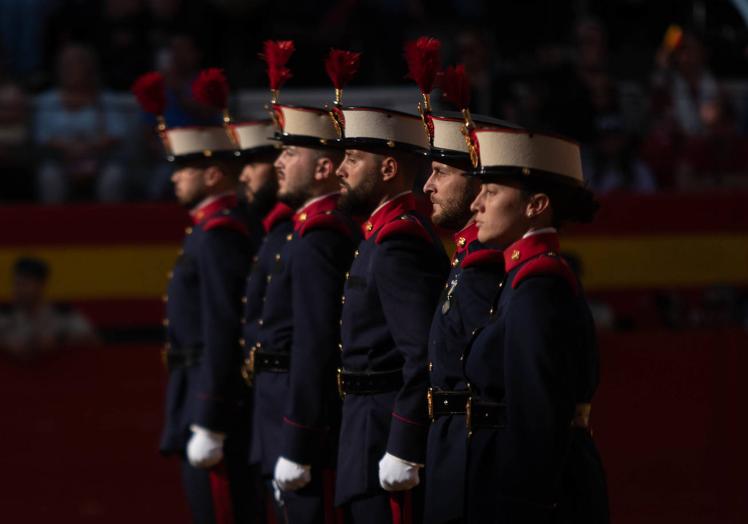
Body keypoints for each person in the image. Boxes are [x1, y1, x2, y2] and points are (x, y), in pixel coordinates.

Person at [462, 127, 609, 523]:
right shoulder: (523, 278)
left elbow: (536, 416)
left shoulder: (536, 287)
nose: (475, 204)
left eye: (490, 193)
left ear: (536, 204)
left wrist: (523, 504)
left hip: (537, 497)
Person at [134, 70, 258, 523]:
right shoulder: (207, 232)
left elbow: (222, 327)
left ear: (212, 173)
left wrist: (211, 414)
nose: (175, 180)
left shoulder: (219, 235)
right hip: (195, 391)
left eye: (184, 169)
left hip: (210, 399)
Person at [333, 105, 450, 523]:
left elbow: (421, 353)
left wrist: (403, 442)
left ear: (387, 169)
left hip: (381, 432)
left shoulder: (398, 242)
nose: (340, 170)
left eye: (352, 159)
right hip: (365, 426)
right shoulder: (381, 236)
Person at [245, 100, 358, 523]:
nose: (279, 163)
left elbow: (316, 344)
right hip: (280, 409)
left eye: (291, 153)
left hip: (302, 425)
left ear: (325, 168)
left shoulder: (320, 236)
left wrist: (298, 441)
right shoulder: (305, 230)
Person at [421, 110, 510, 523]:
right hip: (452, 448)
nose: (428, 186)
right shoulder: (466, 259)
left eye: (441, 172)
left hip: (473, 454)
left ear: (477, 184)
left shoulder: (485, 264)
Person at [34, 44, 129, 202]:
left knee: (114, 176)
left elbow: (116, 134)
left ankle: (112, 223)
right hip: (60, 161)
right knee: (49, 176)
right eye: (66, 65)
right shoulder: (48, 101)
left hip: (100, 161)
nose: (70, 69)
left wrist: (88, 148)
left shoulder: (106, 100)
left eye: (77, 64)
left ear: (90, 68)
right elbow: (43, 136)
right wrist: (69, 149)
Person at [0, 257, 97, 359]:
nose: (18, 290)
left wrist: (58, 340)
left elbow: (91, 338)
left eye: (24, 284)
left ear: (40, 285)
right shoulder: (4, 314)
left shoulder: (63, 313)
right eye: (15, 284)